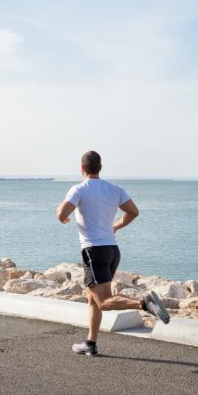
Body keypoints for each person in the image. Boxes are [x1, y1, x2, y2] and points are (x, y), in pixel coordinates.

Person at [56, 150, 169, 357]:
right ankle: (91, 343)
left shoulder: (79, 189)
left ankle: (144, 303)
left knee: (104, 301)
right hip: (112, 250)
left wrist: (62, 216)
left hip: (94, 251)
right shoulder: (115, 189)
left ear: (82, 169)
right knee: (92, 298)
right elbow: (133, 211)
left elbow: (62, 212)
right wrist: (116, 225)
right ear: (100, 168)